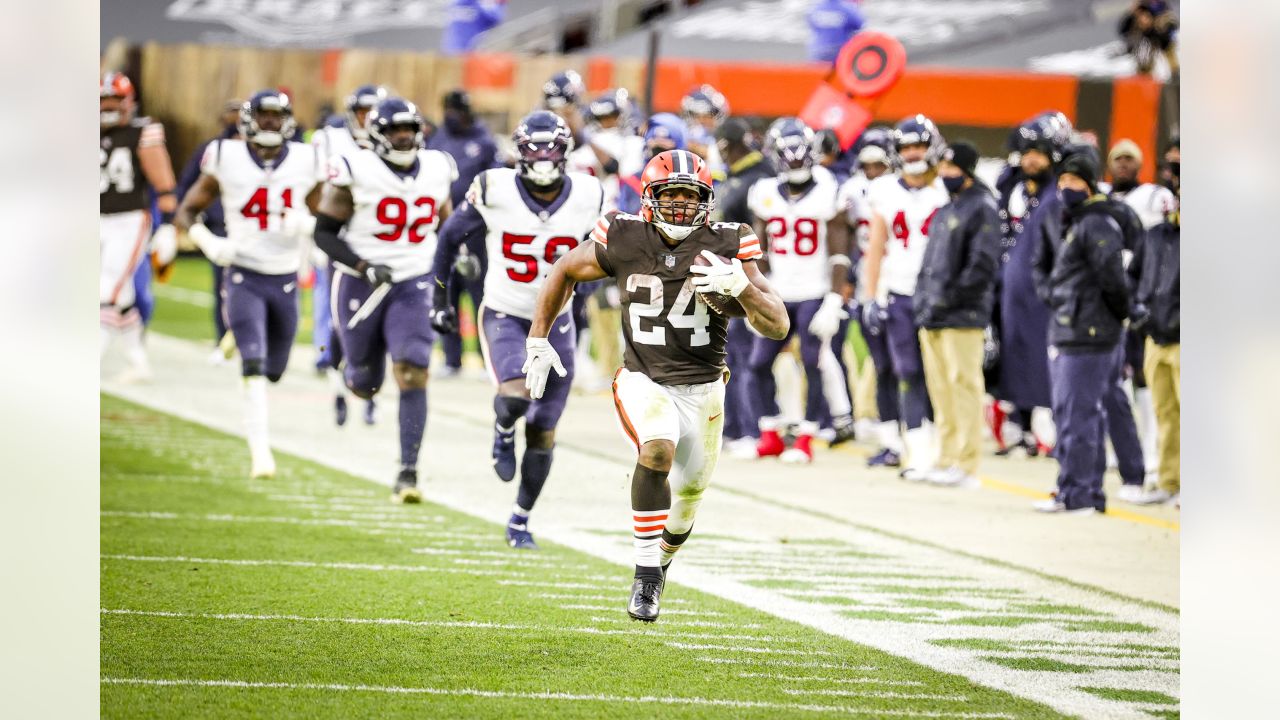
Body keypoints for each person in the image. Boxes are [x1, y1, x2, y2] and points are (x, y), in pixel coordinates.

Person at [525, 149, 788, 622]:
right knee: (656, 451)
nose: (683, 206)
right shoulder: (624, 235)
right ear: (650, 198)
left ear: (707, 200)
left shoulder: (729, 243)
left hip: (705, 386)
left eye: (692, 196)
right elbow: (564, 269)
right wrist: (538, 336)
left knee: (687, 499)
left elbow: (778, 325)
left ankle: (659, 564)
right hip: (643, 376)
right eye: (673, 195)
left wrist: (741, 288)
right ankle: (646, 579)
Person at [430, 111, 604, 547]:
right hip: (507, 312)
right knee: (514, 398)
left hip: (558, 322)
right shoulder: (495, 187)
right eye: (535, 147)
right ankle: (502, 429)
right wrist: (440, 298)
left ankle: (521, 518)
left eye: (552, 147)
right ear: (518, 151)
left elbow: (605, 251)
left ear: (566, 151)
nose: (544, 157)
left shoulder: (588, 192)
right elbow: (450, 236)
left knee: (544, 428)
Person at [312, 97, 456, 503]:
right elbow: (323, 234)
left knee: (413, 369)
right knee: (366, 384)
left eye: (409, 128)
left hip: (414, 279)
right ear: (378, 134)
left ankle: (408, 471)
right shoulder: (356, 168)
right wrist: (361, 264)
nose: (404, 136)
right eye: (395, 129)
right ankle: (343, 356)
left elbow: (446, 224)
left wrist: (458, 256)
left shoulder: (436, 167)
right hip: (362, 281)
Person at [175, 90, 321, 479]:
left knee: (276, 370)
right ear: (250, 119)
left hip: (285, 274)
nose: (271, 122)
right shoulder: (226, 156)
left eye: (277, 115)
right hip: (242, 272)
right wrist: (209, 242)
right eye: (264, 115)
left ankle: (236, 337)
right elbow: (187, 209)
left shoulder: (309, 159)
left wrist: (307, 224)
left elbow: (332, 217)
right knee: (254, 367)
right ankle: (261, 454)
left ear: (288, 119)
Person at [746, 118, 851, 463]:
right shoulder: (763, 191)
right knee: (759, 362)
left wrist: (834, 299)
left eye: (798, 152)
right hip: (777, 292)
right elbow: (758, 250)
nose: (792, 159)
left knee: (813, 360)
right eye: (786, 153)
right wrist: (755, 293)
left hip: (813, 290)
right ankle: (770, 431)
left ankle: (806, 436)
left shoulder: (829, 188)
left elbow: (838, 251)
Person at [1031, 153, 1130, 514]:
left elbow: (1113, 280)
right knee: (1069, 414)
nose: (1065, 189)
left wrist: (1119, 315)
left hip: (1089, 332)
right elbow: (1048, 271)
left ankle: (1083, 494)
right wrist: (1058, 300)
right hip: (1070, 327)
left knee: (1080, 416)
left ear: (1090, 184)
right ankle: (1073, 489)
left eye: (1073, 182)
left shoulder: (1097, 223)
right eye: (1062, 182)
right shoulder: (1071, 221)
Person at [863, 115, 950, 480]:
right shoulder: (884, 189)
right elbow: (876, 247)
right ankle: (917, 451)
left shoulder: (946, 188)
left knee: (940, 374)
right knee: (909, 372)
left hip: (940, 295)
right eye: (907, 147)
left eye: (919, 145)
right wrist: (870, 296)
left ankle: (941, 448)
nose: (913, 153)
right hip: (899, 293)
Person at [913, 141, 1001, 488]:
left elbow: (982, 266)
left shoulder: (982, 207)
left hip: (962, 316)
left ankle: (967, 464)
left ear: (966, 170)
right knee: (940, 389)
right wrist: (925, 301)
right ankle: (946, 456)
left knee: (964, 387)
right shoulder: (948, 208)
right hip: (933, 313)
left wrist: (949, 299)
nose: (945, 174)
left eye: (951, 168)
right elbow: (930, 264)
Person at [312, 84, 387, 425]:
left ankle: (372, 393)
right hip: (340, 243)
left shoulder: (400, 142)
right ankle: (337, 386)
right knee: (337, 319)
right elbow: (311, 189)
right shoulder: (330, 140)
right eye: (363, 112)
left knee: (383, 323)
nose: (369, 119)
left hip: (385, 246)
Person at [994, 113, 1069, 457]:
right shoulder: (1013, 191)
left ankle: (1053, 433)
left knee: (1045, 364)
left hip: (1045, 295)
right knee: (1014, 360)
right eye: (1026, 151)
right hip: (1011, 293)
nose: (1031, 158)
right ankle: (1021, 430)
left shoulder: (1059, 197)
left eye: (1038, 151)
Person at [1107, 138, 1177, 497]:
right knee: (1121, 383)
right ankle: (1136, 457)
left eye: (1128, 159)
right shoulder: (1104, 196)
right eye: (1116, 159)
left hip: (1157, 310)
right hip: (1118, 304)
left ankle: (1152, 455)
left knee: (1152, 391)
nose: (1122, 165)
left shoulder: (1153, 197)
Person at [100, 72, 179, 382]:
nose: (107, 106)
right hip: (94, 218)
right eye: (102, 99)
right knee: (122, 296)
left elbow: (164, 184)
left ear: (128, 102)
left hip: (129, 220)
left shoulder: (142, 132)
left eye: (113, 99)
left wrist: (169, 226)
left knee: (106, 288)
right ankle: (138, 362)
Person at [426, 89, 503, 378]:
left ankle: (486, 359)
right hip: (443, 230)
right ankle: (451, 358)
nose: (454, 116)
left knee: (479, 293)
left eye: (459, 110)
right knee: (447, 290)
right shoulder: (438, 139)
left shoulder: (483, 141)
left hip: (474, 231)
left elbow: (493, 181)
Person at [713, 118, 775, 457]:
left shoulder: (758, 178)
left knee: (747, 358)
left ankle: (753, 428)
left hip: (748, 277)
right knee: (728, 356)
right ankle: (734, 427)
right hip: (725, 277)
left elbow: (759, 235)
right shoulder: (735, 177)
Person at [840, 127, 901, 465]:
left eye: (880, 165)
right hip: (869, 283)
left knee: (907, 367)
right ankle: (891, 435)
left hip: (900, 284)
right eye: (868, 166)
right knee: (881, 364)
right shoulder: (852, 191)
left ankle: (916, 434)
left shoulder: (904, 191)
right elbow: (848, 237)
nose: (874, 172)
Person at [176, 99, 241, 363]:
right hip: (221, 226)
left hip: (255, 230)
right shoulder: (214, 151)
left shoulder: (264, 153)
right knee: (222, 287)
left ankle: (253, 341)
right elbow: (189, 186)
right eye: (232, 114)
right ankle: (222, 338)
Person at [1128, 201, 1179, 506]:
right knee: (1164, 414)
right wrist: (1137, 311)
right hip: (1154, 338)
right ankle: (1169, 480)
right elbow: (1132, 275)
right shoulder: (1155, 234)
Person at [441, 0, 507, 55]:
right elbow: (495, 17)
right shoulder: (478, 6)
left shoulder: (483, 6)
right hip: (458, 51)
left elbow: (495, 18)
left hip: (465, 52)